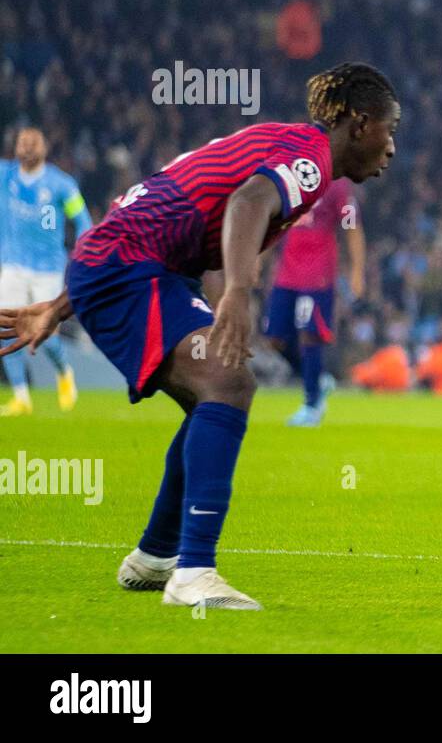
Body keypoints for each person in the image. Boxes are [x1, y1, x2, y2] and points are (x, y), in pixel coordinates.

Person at [0, 63, 400, 611]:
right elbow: (247, 202)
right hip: (130, 265)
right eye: (389, 128)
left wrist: (61, 305)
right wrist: (237, 291)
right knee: (229, 382)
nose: (392, 146)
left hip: (131, 262)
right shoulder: (309, 162)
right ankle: (194, 573)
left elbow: (160, 213)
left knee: (211, 394)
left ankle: (158, 555)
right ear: (359, 123)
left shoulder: (294, 145)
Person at [0, 128, 93, 416]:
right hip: (13, 265)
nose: (27, 148)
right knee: (5, 330)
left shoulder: (61, 185)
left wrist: (84, 252)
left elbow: (83, 220)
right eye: (22, 143)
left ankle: (64, 372)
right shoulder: (5, 175)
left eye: (32, 144)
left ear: (44, 148)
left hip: (48, 269)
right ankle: (21, 397)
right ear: (15, 148)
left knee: (46, 333)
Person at [263, 177, 365, 426]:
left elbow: (351, 227)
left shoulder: (338, 185)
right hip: (286, 273)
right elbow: (272, 223)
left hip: (318, 275)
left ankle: (312, 405)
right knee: (274, 339)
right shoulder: (290, 180)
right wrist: (259, 259)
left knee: (310, 335)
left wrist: (356, 271)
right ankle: (317, 380)